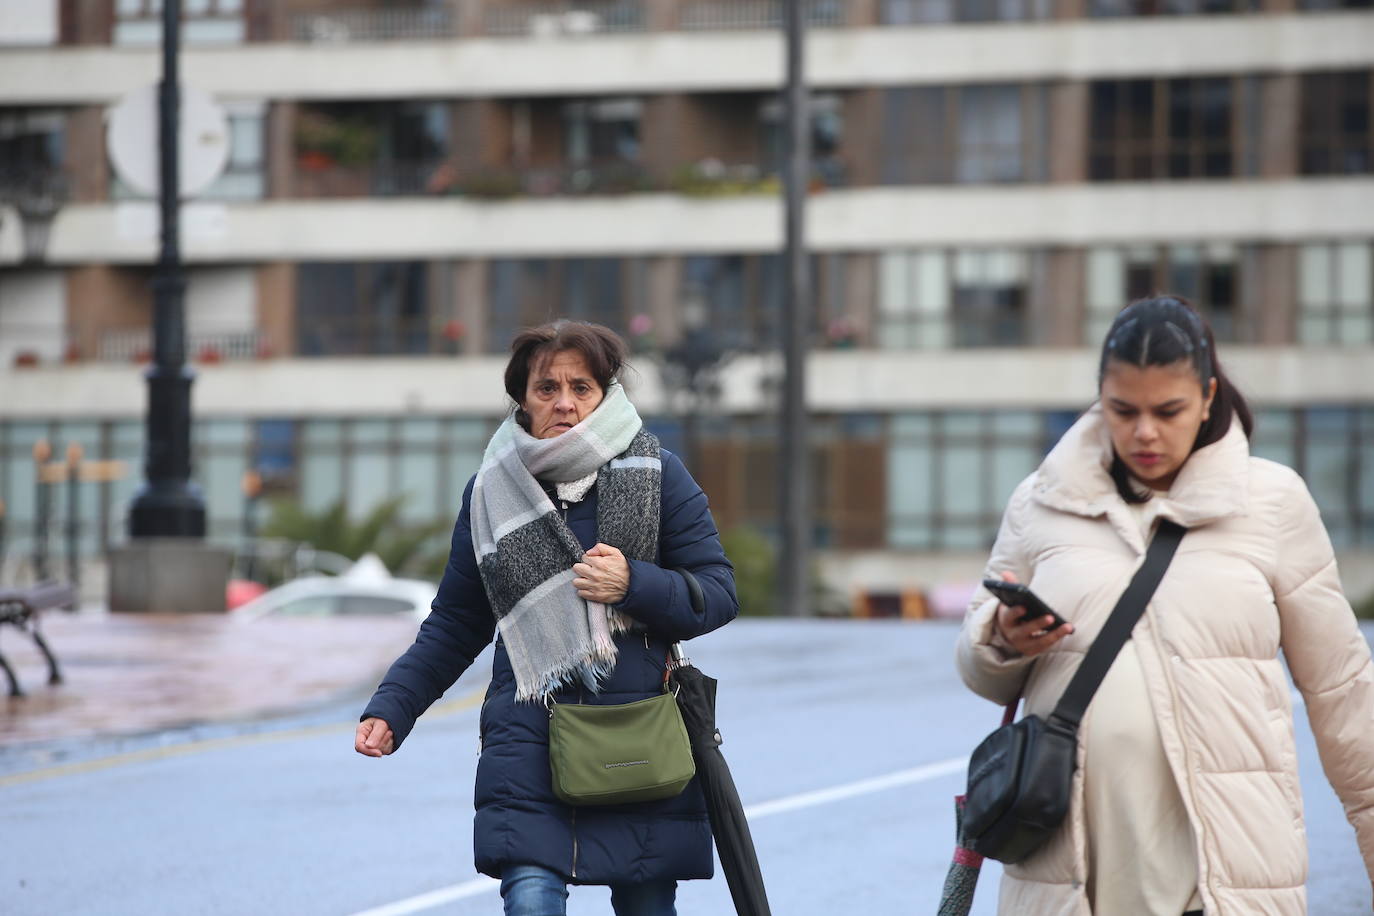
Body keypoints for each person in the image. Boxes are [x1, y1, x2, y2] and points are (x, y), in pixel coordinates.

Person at [956, 295, 1374, 914]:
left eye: (1168, 410)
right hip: (1070, 881)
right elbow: (977, 665)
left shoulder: (1272, 503)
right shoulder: (1042, 501)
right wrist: (1003, 641)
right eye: (1123, 411)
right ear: (1101, 397)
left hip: (1224, 879)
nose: (1145, 432)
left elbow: (1344, 693)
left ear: (1207, 397)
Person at [356, 320, 739, 916]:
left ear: (605, 394)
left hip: (636, 740)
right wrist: (392, 706)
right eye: (547, 388)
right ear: (523, 398)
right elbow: (457, 621)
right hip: (530, 743)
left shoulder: (660, 474)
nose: (564, 403)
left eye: (581, 387)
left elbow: (717, 592)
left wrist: (634, 584)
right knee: (530, 900)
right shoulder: (489, 492)